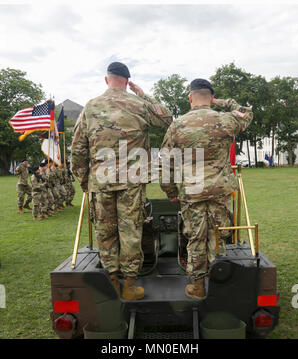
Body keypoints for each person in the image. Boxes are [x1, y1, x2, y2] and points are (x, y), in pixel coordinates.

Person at [71, 61, 173, 300]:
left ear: (107, 80)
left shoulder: (91, 106)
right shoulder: (139, 104)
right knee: (131, 232)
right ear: (128, 81)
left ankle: (112, 282)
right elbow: (167, 119)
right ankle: (129, 285)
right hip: (132, 181)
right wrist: (144, 95)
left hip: (101, 181)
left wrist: (85, 181)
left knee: (105, 233)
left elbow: (77, 149)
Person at [160, 78, 253, 299]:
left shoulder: (178, 125)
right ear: (211, 98)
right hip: (220, 190)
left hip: (192, 192)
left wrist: (171, 191)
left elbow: (165, 162)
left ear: (190, 97)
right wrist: (224, 101)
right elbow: (246, 112)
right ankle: (219, 283)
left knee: (196, 237)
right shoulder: (226, 120)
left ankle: (198, 286)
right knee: (218, 236)